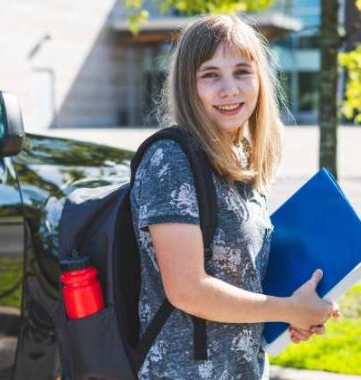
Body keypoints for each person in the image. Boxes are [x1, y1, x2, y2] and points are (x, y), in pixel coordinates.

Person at [130, 14, 339, 380]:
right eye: (210, 75)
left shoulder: (240, 158)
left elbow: (246, 278)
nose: (230, 89)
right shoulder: (171, 159)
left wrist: (294, 312)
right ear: (188, 85)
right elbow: (188, 290)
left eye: (243, 71)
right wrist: (286, 309)